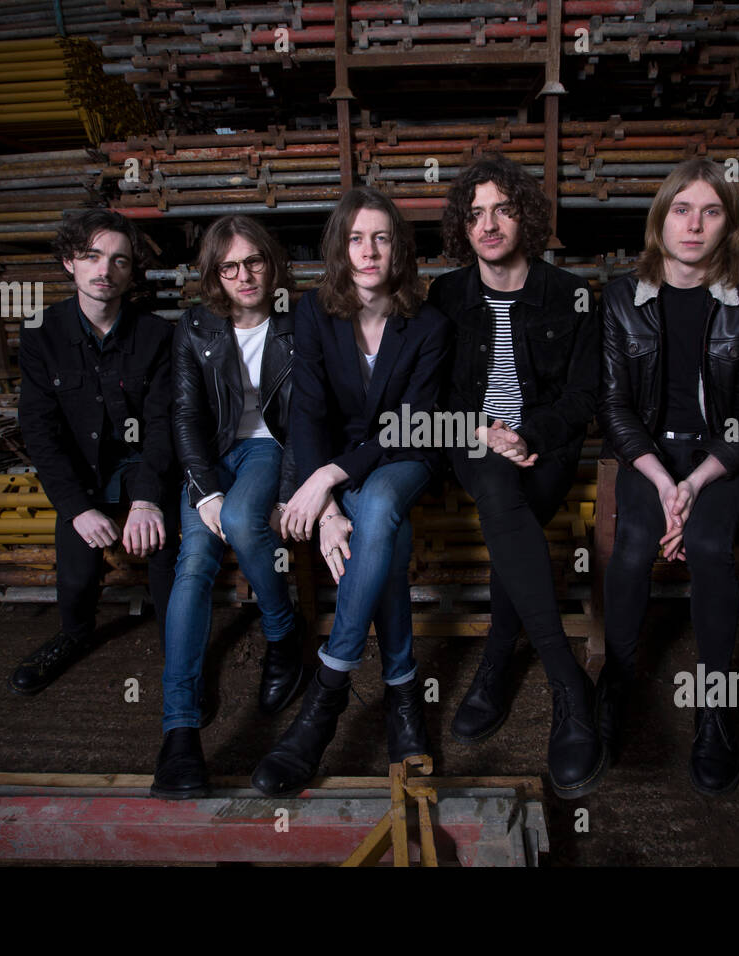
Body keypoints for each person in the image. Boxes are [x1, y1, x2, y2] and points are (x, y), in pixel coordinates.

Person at [251, 187, 450, 797]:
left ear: (399, 250)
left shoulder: (430, 323)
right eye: (357, 238)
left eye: (382, 238)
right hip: (338, 470)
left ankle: (326, 693)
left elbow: (409, 424)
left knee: (388, 503)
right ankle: (402, 690)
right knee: (386, 533)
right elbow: (308, 413)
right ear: (340, 248)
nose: (369, 251)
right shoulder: (314, 314)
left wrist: (325, 480)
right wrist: (330, 510)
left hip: (405, 455)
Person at [597, 157, 739, 795]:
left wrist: (696, 484)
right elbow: (615, 408)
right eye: (682, 209)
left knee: (708, 548)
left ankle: (714, 707)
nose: (694, 225)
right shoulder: (623, 296)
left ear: (728, 223)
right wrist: (659, 479)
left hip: (718, 457)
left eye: (710, 211)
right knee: (630, 554)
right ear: (662, 218)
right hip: (648, 455)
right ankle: (615, 685)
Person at [427, 154, 605, 800]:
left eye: (502, 208)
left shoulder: (572, 294)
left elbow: (586, 395)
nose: (489, 224)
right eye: (475, 214)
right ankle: (567, 681)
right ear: (462, 228)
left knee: (514, 505)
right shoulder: (446, 296)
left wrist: (529, 434)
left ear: (523, 214)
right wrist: (483, 432)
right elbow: (436, 393)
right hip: (471, 441)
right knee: (499, 490)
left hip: (544, 447)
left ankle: (498, 659)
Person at [153, 215, 302, 799]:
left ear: (271, 261)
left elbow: (307, 415)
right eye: (230, 266)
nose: (245, 276)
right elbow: (184, 416)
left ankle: (283, 634)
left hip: (268, 449)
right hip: (212, 457)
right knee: (193, 562)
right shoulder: (194, 326)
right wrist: (203, 488)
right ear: (215, 272)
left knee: (243, 522)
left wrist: (292, 489)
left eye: (255, 262)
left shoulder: (299, 321)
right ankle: (180, 733)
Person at [14, 209, 179, 695]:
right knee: (77, 573)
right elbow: (40, 430)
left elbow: (162, 425)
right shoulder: (40, 332)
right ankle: (73, 635)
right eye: (92, 256)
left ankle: (179, 658)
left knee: (165, 547)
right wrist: (77, 508)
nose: (104, 270)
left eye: (119, 260)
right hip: (85, 475)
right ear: (70, 262)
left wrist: (148, 499)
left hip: (143, 468)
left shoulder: (157, 336)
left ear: (131, 273)